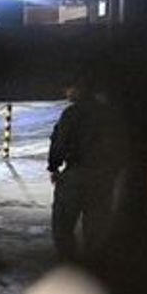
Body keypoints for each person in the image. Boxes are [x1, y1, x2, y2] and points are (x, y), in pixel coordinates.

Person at [48, 80, 120, 260]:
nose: (66, 92)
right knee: (97, 227)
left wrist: (54, 167)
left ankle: (69, 263)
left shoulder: (72, 113)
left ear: (80, 89)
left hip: (76, 175)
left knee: (63, 225)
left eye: (69, 88)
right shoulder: (109, 114)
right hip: (103, 178)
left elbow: (60, 142)